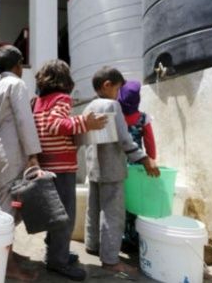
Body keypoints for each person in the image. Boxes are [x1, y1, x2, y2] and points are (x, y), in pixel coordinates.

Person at [32, 59, 107, 281]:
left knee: (54, 215)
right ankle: (58, 261)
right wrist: (86, 123)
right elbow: (55, 125)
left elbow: (44, 126)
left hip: (46, 165)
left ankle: (56, 252)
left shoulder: (38, 101)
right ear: (65, 79)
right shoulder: (62, 99)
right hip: (62, 168)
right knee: (65, 217)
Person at [83, 66, 160, 276]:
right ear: (107, 86)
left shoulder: (89, 106)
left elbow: (84, 138)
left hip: (93, 167)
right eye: (117, 89)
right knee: (113, 214)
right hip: (112, 169)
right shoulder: (112, 105)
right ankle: (110, 260)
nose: (119, 94)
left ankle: (93, 245)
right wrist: (144, 159)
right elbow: (125, 140)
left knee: (94, 208)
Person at [0, 45, 41, 281]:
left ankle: (7, 256)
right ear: (18, 65)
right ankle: (6, 264)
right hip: (13, 150)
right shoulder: (16, 84)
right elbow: (24, 120)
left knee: (5, 204)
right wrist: (33, 154)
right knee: (8, 209)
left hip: (0, 148)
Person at [117, 80, 157, 252]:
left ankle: (118, 238)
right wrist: (151, 161)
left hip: (117, 165)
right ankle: (133, 238)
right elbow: (150, 143)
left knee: (119, 202)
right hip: (137, 165)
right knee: (135, 202)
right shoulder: (143, 118)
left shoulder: (116, 116)